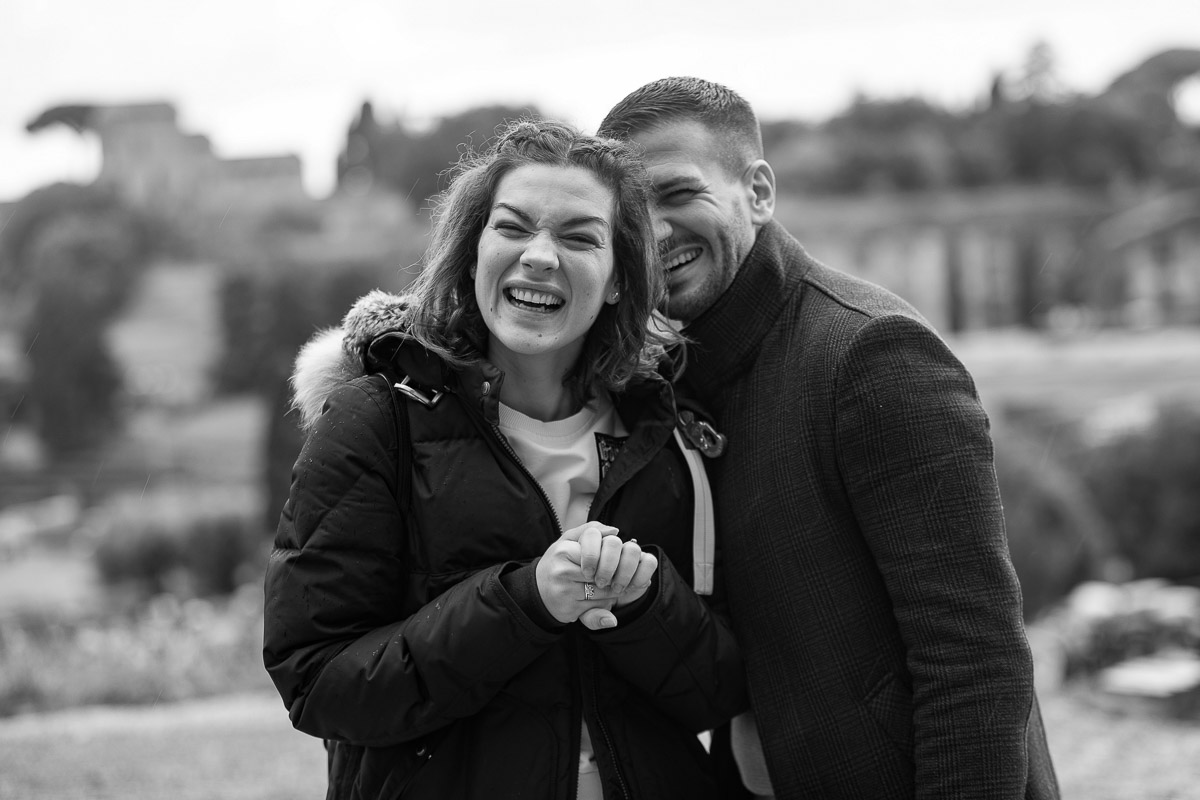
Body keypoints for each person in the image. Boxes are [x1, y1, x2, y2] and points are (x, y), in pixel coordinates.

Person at [598, 78, 1060, 799]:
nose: (653, 232)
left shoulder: (872, 354)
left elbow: (976, 662)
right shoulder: (676, 374)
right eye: (630, 213)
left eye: (678, 194)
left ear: (757, 191)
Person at [262, 119, 746, 800]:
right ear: (473, 252)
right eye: (513, 228)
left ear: (616, 279)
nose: (540, 256)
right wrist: (526, 602)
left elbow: (715, 695)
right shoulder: (376, 420)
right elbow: (318, 683)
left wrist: (645, 604)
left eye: (579, 237)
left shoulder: (666, 433)